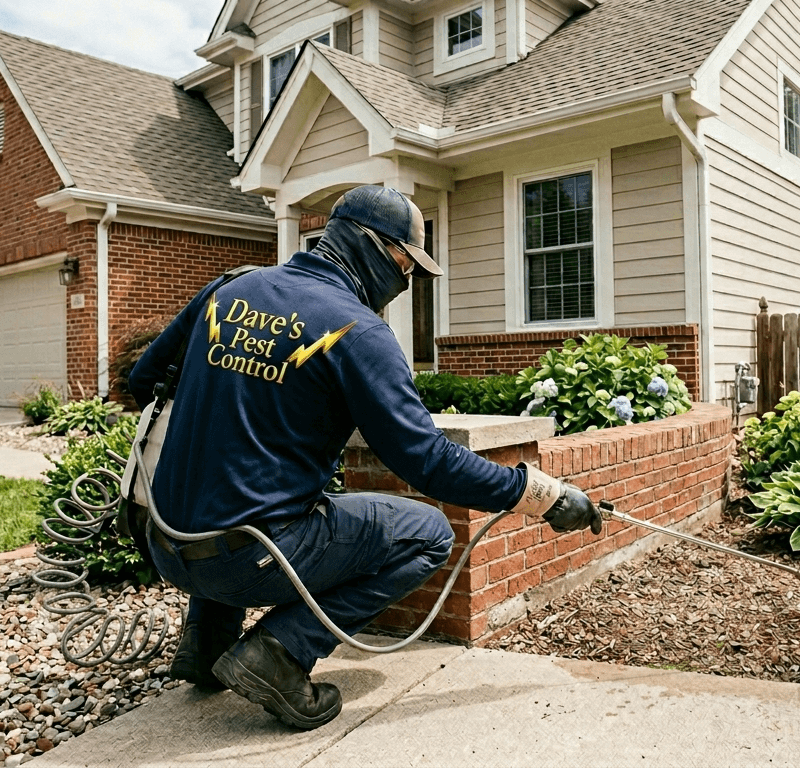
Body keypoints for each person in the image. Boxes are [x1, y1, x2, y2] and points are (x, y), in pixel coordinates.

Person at [127, 185, 601, 731]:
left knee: (235, 496)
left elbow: (145, 381)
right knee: (428, 533)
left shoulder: (231, 288)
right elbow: (427, 461)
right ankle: (279, 654)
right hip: (250, 560)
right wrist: (543, 496)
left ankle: (205, 646)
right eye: (407, 264)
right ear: (374, 246)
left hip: (163, 540)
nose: (406, 282)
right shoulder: (358, 333)